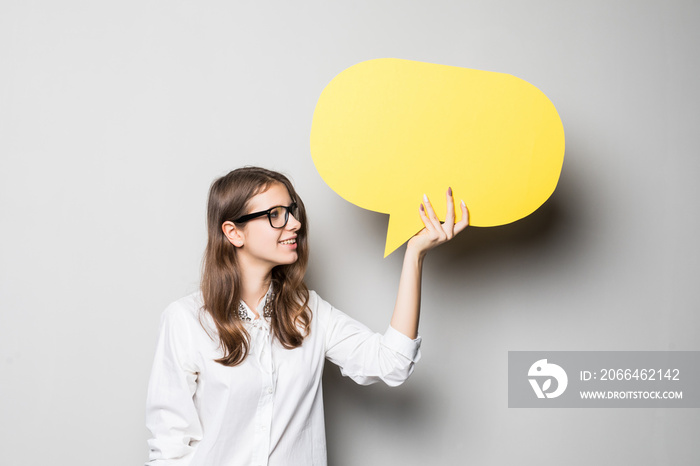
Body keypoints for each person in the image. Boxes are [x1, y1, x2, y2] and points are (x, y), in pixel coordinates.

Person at [145, 166, 469, 465]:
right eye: (275, 214)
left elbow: (393, 363)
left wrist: (415, 254)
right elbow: (170, 445)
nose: (295, 224)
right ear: (234, 233)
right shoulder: (186, 321)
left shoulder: (309, 312)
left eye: (291, 211)